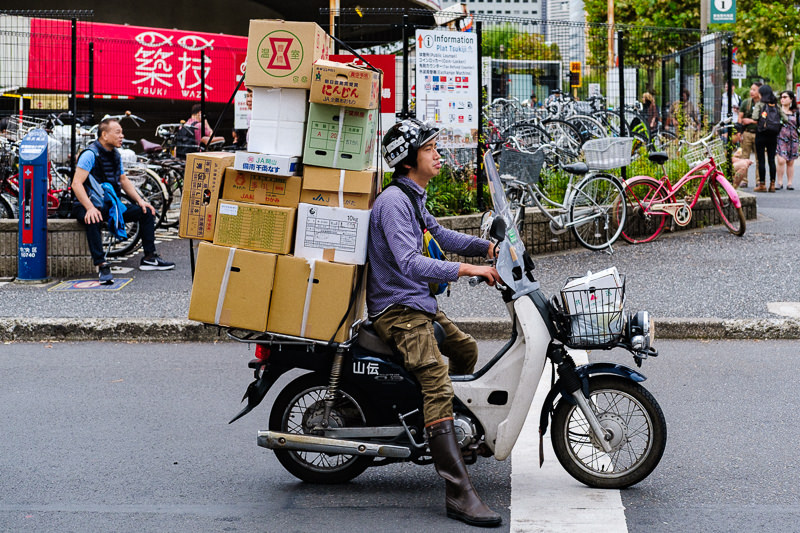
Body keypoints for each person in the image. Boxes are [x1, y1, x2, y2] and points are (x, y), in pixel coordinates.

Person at [367, 118, 502, 528]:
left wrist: (489, 247)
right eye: (429, 149)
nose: (437, 154)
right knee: (436, 379)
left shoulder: (413, 196)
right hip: (398, 309)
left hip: (418, 301)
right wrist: (470, 270)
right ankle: (458, 491)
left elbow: (439, 234)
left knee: (465, 349)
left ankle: (450, 431)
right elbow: (409, 261)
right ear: (409, 160)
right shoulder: (393, 203)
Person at [71, 117, 174, 282]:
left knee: (146, 212)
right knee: (93, 219)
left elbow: (123, 180)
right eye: (117, 132)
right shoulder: (90, 154)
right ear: (104, 135)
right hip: (86, 204)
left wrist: (141, 201)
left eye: (122, 132)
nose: (122, 136)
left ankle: (149, 257)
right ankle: (101, 264)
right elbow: (76, 184)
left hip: (110, 205)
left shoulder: (115, 155)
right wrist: (90, 207)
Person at [750, 84, 787, 192]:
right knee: (771, 160)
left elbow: (755, 117)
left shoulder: (759, 104)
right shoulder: (775, 105)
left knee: (761, 160)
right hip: (773, 136)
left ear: (762, 94)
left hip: (761, 134)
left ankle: (762, 184)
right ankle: (772, 184)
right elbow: (785, 119)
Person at [738, 81, 763, 189]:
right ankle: (743, 180)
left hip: (759, 134)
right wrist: (739, 132)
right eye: (751, 89)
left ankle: (759, 181)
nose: (751, 92)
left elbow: (765, 120)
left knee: (759, 158)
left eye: (754, 90)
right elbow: (740, 118)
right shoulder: (746, 103)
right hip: (747, 133)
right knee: (744, 158)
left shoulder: (763, 104)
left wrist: (751, 121)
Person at [776, 90, 799, 190]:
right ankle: (779, 182)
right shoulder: (777, 110)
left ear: (791, 99)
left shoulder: (796, 112)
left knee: (790, 162)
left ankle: (789, 183)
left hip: (793, 139)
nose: (782, 99)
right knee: (781, 160)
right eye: (781, 97)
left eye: (785, 97)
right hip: (780, 137)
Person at [730, 123, 754, 189]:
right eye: (741, 136)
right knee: (743, 165)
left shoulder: (728, 141)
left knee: (743, 163)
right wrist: (743, 160)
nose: (740, 139)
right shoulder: (726, 142)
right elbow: (728, 160)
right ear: (738, 134)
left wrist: (734, 156)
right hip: (720, 169)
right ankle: (732, 188)